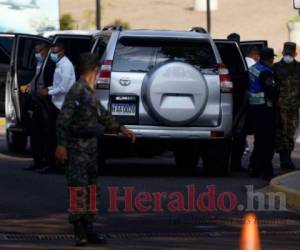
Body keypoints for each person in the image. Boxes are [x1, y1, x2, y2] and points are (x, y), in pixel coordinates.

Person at [55, 53, 136, 246]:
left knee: (92, 189)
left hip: (91, 147)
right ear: (93, 70)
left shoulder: (89, 93)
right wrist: (61, 145)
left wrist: (121, 128)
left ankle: (89, 228)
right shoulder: (76, 91)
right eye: (98, 71)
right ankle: (79, 231)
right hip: (77, 148)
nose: (99, 74)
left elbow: (102, 114)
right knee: (78, 189)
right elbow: (62, 121)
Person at [37, 42, 76, 173]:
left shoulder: (66, 66)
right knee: (52, 135)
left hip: (62, 106)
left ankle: (59, 165)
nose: (53, 54)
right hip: (56, 104)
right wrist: (47, 89)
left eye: (55, 52)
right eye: (52, 52)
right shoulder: (59, 64)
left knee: (58, 137)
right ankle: (53, 163)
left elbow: (63, 88)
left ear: (62, 52)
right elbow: (57, 85)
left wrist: (48, 92)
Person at [247, 48, 278, 180]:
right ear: (269, 59)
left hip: (253, 108)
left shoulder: (253, 68)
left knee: (259, 140)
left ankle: (255, 167)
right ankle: (266, 171)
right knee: (267, 141)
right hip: (265, 110)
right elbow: (271, 93)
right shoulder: (266, 73)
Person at [20, 43, 49, 170]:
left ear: (46, 49)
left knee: (44, 133)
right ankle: (37, 160)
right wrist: (29, 86)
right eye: (36, 51)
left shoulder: (51, 64)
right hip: (36, 100)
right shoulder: (39, 63)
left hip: (47, 102)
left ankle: (45, 161)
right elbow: (36, 79)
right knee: (34, 132)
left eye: (39, 51)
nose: (37, 54)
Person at [274, 42, 300, 170]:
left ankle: (288, 157)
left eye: (291, 53)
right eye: (287, 52)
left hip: (294, 107)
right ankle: (284, 159)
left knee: (291, 132)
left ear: (295, 53)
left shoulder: (299, 68)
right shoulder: (276, 68)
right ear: (283, 53)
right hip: (280, 107)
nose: (288, 55)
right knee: (281, 132)